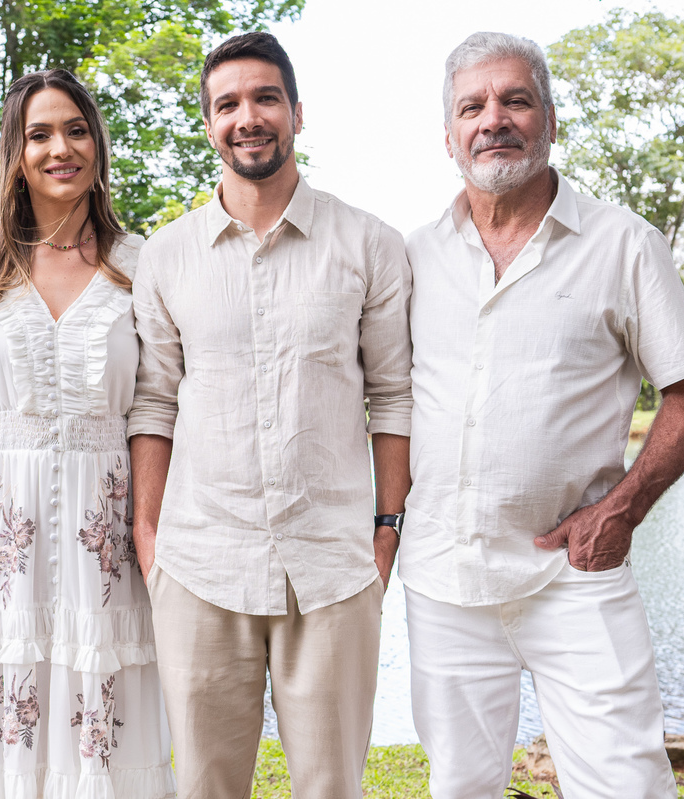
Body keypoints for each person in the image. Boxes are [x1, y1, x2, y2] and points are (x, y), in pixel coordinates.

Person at [402, 32, 684, 798]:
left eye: (516, 100)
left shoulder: (624, 243)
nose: (493, 119)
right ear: (448, 136)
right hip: (444, 579)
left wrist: (623, 508)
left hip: (576, 575)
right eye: (472, 107)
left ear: (550, 119)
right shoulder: (413, 256)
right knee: (460, 786)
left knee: (626, 783)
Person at [128, 31, 412, 799]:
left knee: (331, 787)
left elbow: (393, 395)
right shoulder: (167, 255)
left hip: (333, 567)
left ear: (296, 112)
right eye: (228, 104)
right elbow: (154, 401)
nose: (247, 117)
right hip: (198, 564)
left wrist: (387, 532)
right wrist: (149, 538)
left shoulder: (369, 244)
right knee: (206, 788)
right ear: (209, 124)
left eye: (265, 98)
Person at [0, 69, 174, 798]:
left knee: (101, 728)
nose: (61, 148)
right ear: (16, 153)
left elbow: (169, 397)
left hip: (105, 531)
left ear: (98, 144)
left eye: (76, 130)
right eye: (40, 134)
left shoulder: (141, 263)